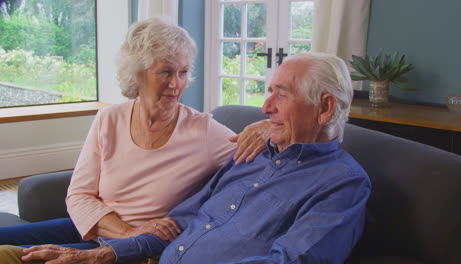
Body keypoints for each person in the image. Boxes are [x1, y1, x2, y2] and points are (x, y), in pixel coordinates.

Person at [4, 52, 371, 264]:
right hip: (127, 248)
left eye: (282, 95)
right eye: (268, 92)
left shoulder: (341, 184)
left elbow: (290, 261)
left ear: (325, 109)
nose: (265, 107)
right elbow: (184, 217)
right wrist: (103, 256)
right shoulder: (253, 155)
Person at [0, 17, 268, 251]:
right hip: (95, 227)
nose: (176, 84)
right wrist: (125, 230)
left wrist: (269, 127)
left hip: (134, 248)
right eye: (165, 71)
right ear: (137, 73)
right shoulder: (109, 118)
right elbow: (79, 195)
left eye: (183, 72)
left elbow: (274, 162)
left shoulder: (204, 130)